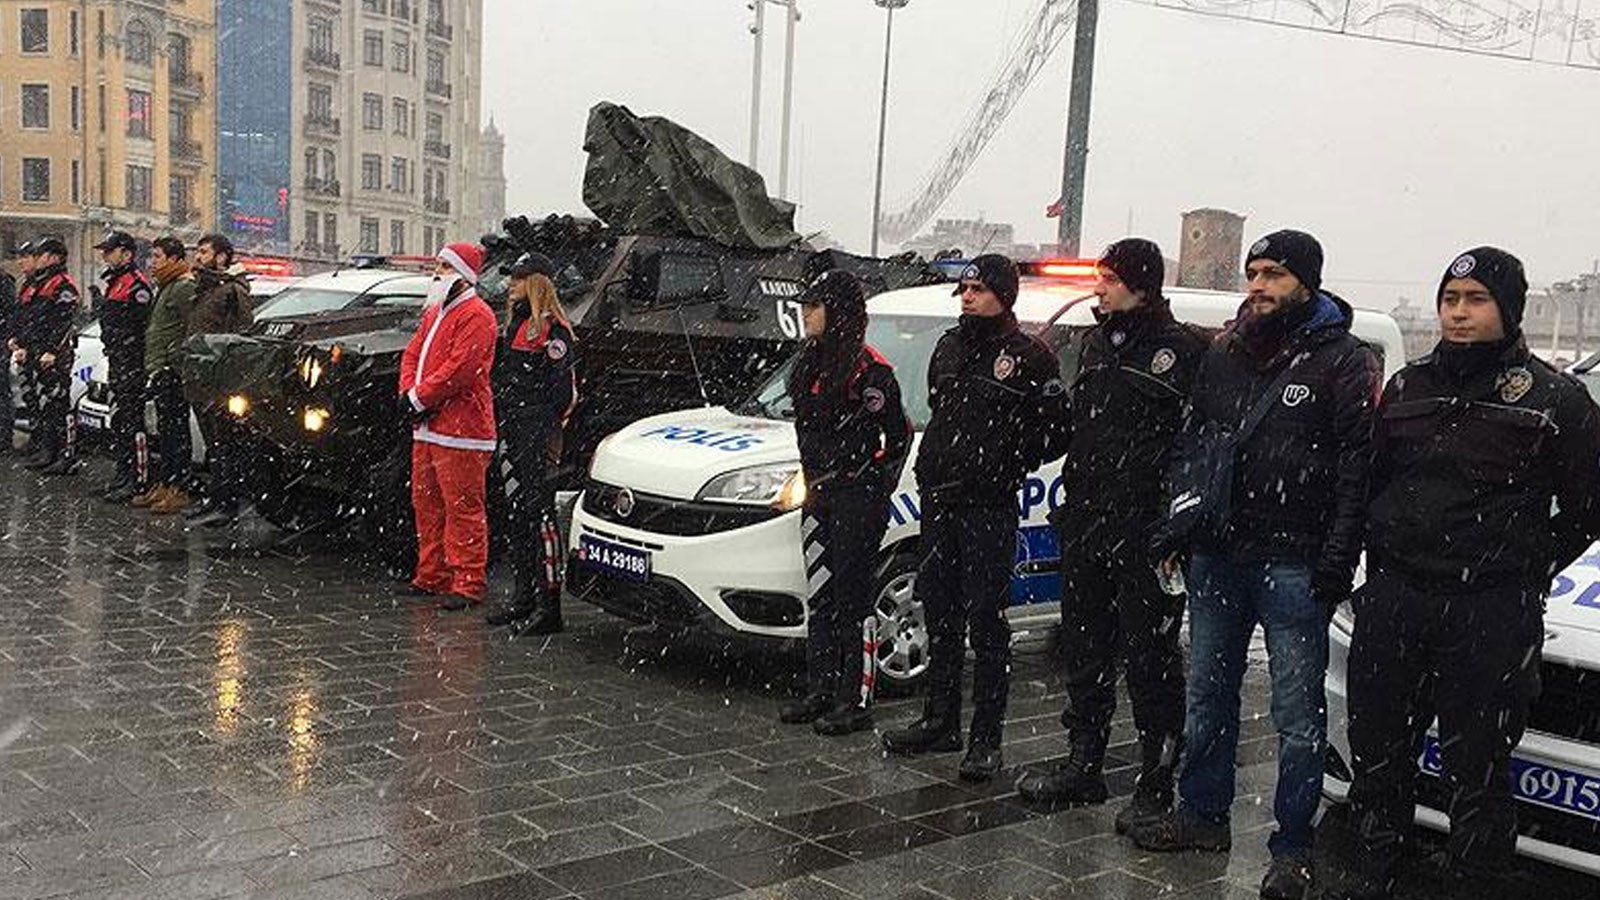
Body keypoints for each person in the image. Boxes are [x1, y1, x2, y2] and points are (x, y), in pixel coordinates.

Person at [1332, 249, 1600, 899]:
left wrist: (1523, 560)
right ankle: (1376, 871)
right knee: (1379, 757)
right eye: (1450, 299)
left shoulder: (1554, 398)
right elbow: (1374, 481)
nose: (1458, 312)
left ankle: (1470, 883)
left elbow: (1589, 506)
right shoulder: (1407, 386)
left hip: (1487, 610)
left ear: (1507, 309)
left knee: (1476, 772)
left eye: (1476, 299)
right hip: (1398, 598)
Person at [1136, 230, 1380, 899]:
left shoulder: (1343, 360)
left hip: (1294, 562)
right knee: (1207, 696)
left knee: (1297, 715)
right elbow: (1195, 445)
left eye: (1274, 273)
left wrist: (1336, 556)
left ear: (1307, 280)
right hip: (1218, 553)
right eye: (1253, 273)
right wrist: (1178, 523)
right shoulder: (1225, 352)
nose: (1259, 285)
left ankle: (1292, 845)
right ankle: (1203, 813)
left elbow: (1358, 469)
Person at [1016, 239, 1206, 834]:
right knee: (1085, 650)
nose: (1098, 287)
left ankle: (1156, 777)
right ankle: (1084, 762)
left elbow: (1194, 446)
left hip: (1145, 533)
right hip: (1089, 523)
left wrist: (1174, 523)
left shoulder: (1183, 352)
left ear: (1141, 285)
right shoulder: (1097, 345)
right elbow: (1082, 430)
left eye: (1109, 278)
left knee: (1150, 661)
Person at [881, 254, 1069, 781]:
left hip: (989, 503)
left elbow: (1056, 430)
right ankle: (940, 720)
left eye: (979, 289)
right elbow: (941, 409)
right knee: (941, 612)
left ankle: (986, 739)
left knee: (988, 623)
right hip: (940, 498)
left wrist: (1010, 460)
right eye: (963, 288)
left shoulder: (1029, 357)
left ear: (1003, 296)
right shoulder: (949, 345)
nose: (968, 297)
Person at [776, 269, 913, 736]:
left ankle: (854, 698)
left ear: (837, 312)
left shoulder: (871, 372)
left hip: (856, 498)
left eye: (813, 306)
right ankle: (822, 687)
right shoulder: (808, 365)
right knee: (822, 595)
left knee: (854, 600)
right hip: (817, 495)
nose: (805, 313)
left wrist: (873, 485)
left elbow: (897, 438)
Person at [400, 242, 498, 611]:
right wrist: (412, 394)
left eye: (444, 265)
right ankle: (432, 574)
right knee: (426, 504)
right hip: (431, 427)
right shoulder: (436, 313)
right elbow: (413, 353)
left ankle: (468, 582)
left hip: (462, 432)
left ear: (461, 273)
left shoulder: (478, 315)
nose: (436, 271)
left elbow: (462, 369)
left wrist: (418, 398)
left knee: (462, 508)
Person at [485, 252, 577, 635]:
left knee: (540, 519)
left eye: (519, 279)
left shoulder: (553, 332)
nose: (510, 285)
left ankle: (550, 607)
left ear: (537, 284)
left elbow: (562, 393)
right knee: (516, 514)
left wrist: (537, 423)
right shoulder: (515, 326)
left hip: (535, 433)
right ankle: (524, 598)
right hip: (512, 429)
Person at [186, 234, 256, 528]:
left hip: (220, 381)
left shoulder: (231, 290)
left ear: (222, 256)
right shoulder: (206, 287)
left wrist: (228, 377)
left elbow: (241, 335)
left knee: (224, 444)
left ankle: (226, 504)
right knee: (214, 446)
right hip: (201, 378)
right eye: (198, 251)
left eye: (204, 252)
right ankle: (215, 500)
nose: (198, 256)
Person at [135, 237, 199, 514]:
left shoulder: (183, 286)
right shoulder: (166, 285)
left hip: (172, 369)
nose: (153, 262)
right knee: (165, 430)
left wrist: (174, 359)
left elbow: (190, 327)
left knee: (176, 431)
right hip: (160, 368)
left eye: (159, 256)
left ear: (174, 258)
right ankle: (165, 482)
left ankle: (179, 487)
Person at [94, 231, 155, 503]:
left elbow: (138, 327)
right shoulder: (115, 282)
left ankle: (137, 480)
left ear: (127, 254)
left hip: (131, 361)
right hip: (118, 360)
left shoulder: (136, 285)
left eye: (110, 251)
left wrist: (126, 349)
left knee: (132, 421)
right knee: (119, 420)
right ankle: (122, 475)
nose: (105, 255)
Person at [16, 238, 82, 476]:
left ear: (55, 257)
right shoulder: (39, 283)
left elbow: (64, 321)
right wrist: (21, 341)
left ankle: (66, 455)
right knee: (44, 404)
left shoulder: (61, 284)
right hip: (36, 351)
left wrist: (52, 350)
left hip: (54, 355)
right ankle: (48, 450)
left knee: (59, 404)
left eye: (42, 254)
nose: (38, 258)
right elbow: (29, 318)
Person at [0, 244, 19, 453]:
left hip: (1, 342)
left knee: (1, 393)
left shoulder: (4, 282)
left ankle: (4, 438)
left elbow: (9, 315)